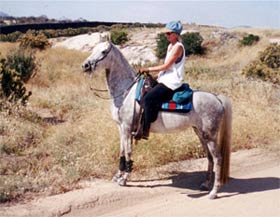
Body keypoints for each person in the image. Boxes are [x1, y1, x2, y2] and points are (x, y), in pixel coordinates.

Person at [135, 20, 186, 140]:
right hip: (165, 79)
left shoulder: (178, 47)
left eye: (169, 33)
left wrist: (148, 69)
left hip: (172, 82)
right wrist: (157, 76)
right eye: (166, 33)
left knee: (148, 98)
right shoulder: (170, 46)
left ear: (176, 34)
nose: (166, 35)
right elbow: (167, 68)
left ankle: (145, 130)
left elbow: (167, 66)